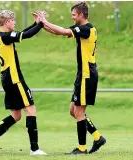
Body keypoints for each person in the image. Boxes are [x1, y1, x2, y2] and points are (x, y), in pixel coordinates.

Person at [34, 2, 106, 155]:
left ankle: (81, 149)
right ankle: (97, 137)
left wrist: (45, 22)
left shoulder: (87, 29)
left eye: (74, 14)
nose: (72, 17)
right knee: (73, 111)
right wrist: (41, 24)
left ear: (81, 15)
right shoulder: (80, 29)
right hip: (82, 74)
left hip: (88, 74)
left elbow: (62, 31)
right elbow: (59, 32)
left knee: (79, 112)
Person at [0, 10, 46, 156]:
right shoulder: (5, 36)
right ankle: (34, 149)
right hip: (14, 78)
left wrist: (35, 24)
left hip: (6, 79)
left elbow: (21, 33)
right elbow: (27, 35)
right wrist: (41, 24)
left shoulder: (0, 36)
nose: (14, 22)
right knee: (31, 110)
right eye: (12, 20)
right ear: (6, 22)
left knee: (16, 115)